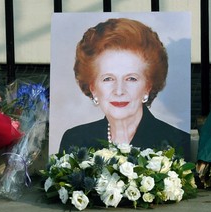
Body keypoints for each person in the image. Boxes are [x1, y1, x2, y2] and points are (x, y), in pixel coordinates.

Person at [59, 18, 190, 158]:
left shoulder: (176, 142)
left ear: (147, 86)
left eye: (131, 79)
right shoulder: (76, 140)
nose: (119, 91)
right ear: (93, 88)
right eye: (108, 79)